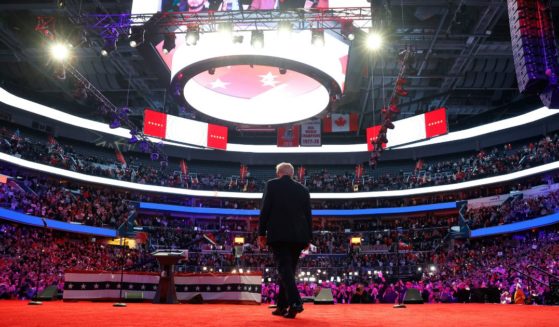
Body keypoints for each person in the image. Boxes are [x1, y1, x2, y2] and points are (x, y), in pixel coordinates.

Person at [258, 162, 312, 319]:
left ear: (278, 173)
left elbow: (265, 210)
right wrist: (309, 237)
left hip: (279, 235)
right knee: (288, 270)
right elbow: (308, 214)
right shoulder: (303, 189)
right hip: (299, 236)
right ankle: (282, 306)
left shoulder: (272, 185)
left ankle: (295, 302)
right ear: (292, 174)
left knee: (284, 269)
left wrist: (261, 233)